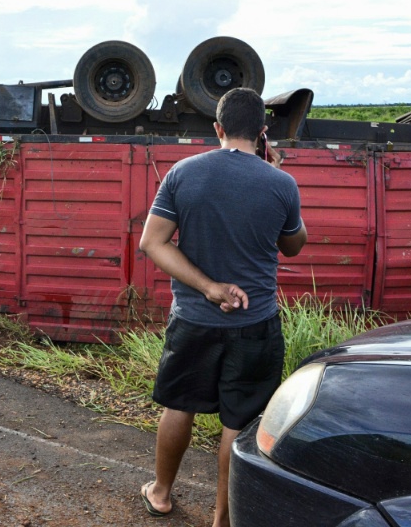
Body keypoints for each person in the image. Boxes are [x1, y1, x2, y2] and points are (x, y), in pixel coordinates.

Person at [138, 87, 307, 526]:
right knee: (240, 421)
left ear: (218, 128)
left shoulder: (182, 172)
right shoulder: (281, 183)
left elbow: (152, 243)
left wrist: (209, 286)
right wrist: (276, 178)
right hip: (255, 323)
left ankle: (160, 493)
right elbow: (294, 246)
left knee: (179, 406)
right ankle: (222, 518)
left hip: (193, 319)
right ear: (263, 132)